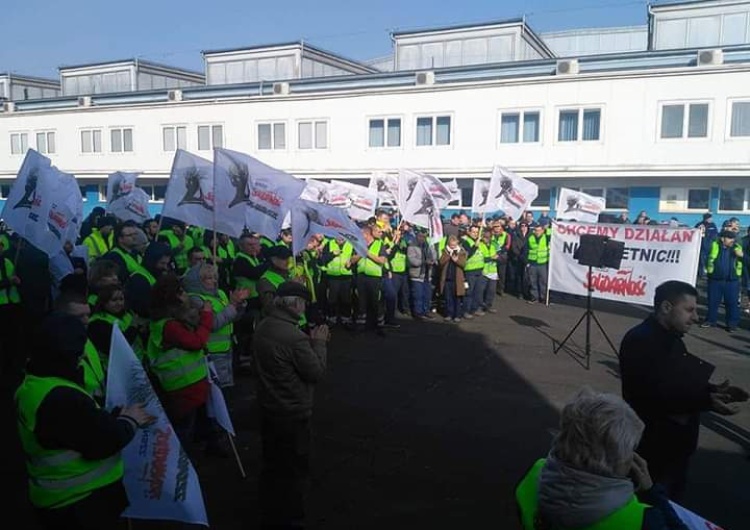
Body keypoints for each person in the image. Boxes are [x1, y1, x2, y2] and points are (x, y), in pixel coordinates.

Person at [16, 313, 154, 530]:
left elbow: (76, 428)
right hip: (81, 504)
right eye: (78, 355)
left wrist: (114, 415)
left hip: (60, 501)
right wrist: (129, 420)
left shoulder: (36, 384)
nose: (81, 360)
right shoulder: (61, 397)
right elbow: (102, 441)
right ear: (62, 356)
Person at [619, 280, 749, 500]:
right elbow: (656, 395)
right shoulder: (641, 342)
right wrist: (707, 401)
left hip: (673, 449)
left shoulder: (671, 338)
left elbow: (678, 382)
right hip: (655, 449)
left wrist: (714, 390)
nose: (696, 317)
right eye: (689, 310)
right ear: (667, 307)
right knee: (656, 506)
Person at [516, 387, 688, 530]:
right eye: (631, 449)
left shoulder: (535, 473)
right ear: (616, 459)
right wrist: (652, 494)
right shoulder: (642, 519)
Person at [253, 282, 329, 529]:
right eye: (304, 303)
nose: (305, 308)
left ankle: (269, 509)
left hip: (269, 405)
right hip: (292, 409)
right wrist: (319, 343)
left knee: (273, 463)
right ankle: (290, 518)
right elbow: (315, 372)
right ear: (295, 304)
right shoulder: (294, 337)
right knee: (294, 469)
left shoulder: (265, 325)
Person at [700, 230, 743, 332]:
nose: (732, 240)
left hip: (732, 280)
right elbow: (704, 248)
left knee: (732, 303)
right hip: (715, 279)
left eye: (733, 238)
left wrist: (741, 255)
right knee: (713, 301)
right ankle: (711, 321)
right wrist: (702, 234)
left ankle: (732, 324)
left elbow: (744, 261)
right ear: (722, 238)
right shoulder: (713, 245)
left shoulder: (737, 248)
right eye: (729, 238)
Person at [439, 235, 467, 322]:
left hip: (457, 280)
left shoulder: (462, 252)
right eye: (451, 246)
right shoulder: (445, 251)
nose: (453, 247)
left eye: (454, 245)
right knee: (448, 298)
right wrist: (448, 256)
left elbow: (464, 264)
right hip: (447, 279)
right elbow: (441, 263)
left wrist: (456, 260)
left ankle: (457, 315)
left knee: (457, 298)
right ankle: (449, 314)